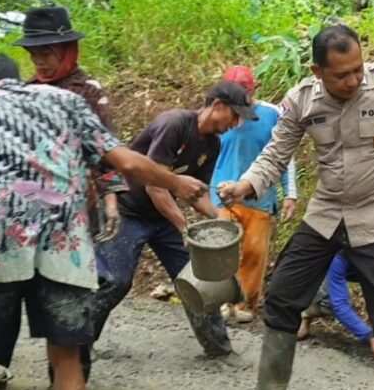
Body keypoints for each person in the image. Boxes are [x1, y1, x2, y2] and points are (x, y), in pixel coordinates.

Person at [0, 54, 208, 390]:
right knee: (65, 355)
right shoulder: (68, 101)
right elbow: (125, 160)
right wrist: (178, 183)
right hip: (65, 245)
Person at [217, 24, 374, 390]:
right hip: (326, 213)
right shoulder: (301, 100)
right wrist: (247, 184)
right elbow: (276, 153)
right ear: (317, 72)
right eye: (342, 74)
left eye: (358, 68)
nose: (354, 80)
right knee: (282, 296)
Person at [0, 5, 128, 375]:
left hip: (70, 219)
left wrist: (110, 200)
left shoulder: (88, 92)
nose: (40, 61)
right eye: (34, 54)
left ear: (67, 49)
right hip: (21, 218)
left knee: (68, 307)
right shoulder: (24, 92)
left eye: (46, 52)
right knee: (2, 305)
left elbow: (105, 151)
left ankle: (71, 378)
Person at [89, 80, 258, 370]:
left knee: (201, 280)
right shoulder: (175, 123)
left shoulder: (212, 143)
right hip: (129, 211)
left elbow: (195, 194)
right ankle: (78, 343)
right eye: (234, 115)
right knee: (115, 281)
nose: (236, 122)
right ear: (217, 106)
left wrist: (220, 220)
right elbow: (156, 186)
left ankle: (219, 349)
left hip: (161, 218)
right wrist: (184, 229)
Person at [212, 65, 299, 324]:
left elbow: (285, 155)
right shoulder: (218, 113)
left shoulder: (271, 114)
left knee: (254, 253)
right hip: (222, 194)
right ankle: (219, 300)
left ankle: (244, 303)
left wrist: (290, 193)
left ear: (254, 89)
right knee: (220, 250)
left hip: (259, 197)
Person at [297, 252, 374, 359]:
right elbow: (339, 304)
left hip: (355, 262)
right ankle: (303, 311)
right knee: (329, 302)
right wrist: (370, 336)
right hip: (309, 267)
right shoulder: (340, 255)